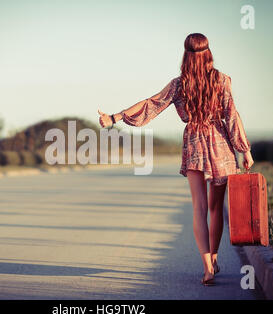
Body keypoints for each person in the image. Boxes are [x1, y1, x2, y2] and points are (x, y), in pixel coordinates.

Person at [98, 33, 254, 286]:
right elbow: (231, 115)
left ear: (186, 55)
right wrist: (244, 149)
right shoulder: (223, 81)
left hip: (193, 143)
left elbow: (151, 104)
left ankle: (207, 268)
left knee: (199, 208)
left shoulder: (179, 84)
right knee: (216, 209)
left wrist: (115, 117)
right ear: (208, 53)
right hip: (220, 146)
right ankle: (213, 258)